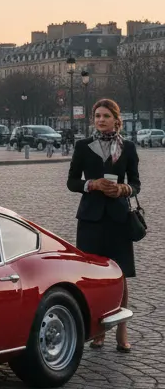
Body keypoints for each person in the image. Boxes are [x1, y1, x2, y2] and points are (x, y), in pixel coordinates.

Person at [67, 98, 140, 352]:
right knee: (93, 278)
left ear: (116, 119)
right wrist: (92, 185)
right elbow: (72, 181)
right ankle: (98, 330)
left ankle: (122, 329)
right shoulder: (83, 146)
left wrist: (123, 188)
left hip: (118, 219)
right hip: (90, 219)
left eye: (106, 116)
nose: (101, 120)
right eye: (97, 115)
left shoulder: (128, 148)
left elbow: (136, 184)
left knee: (120, 277)